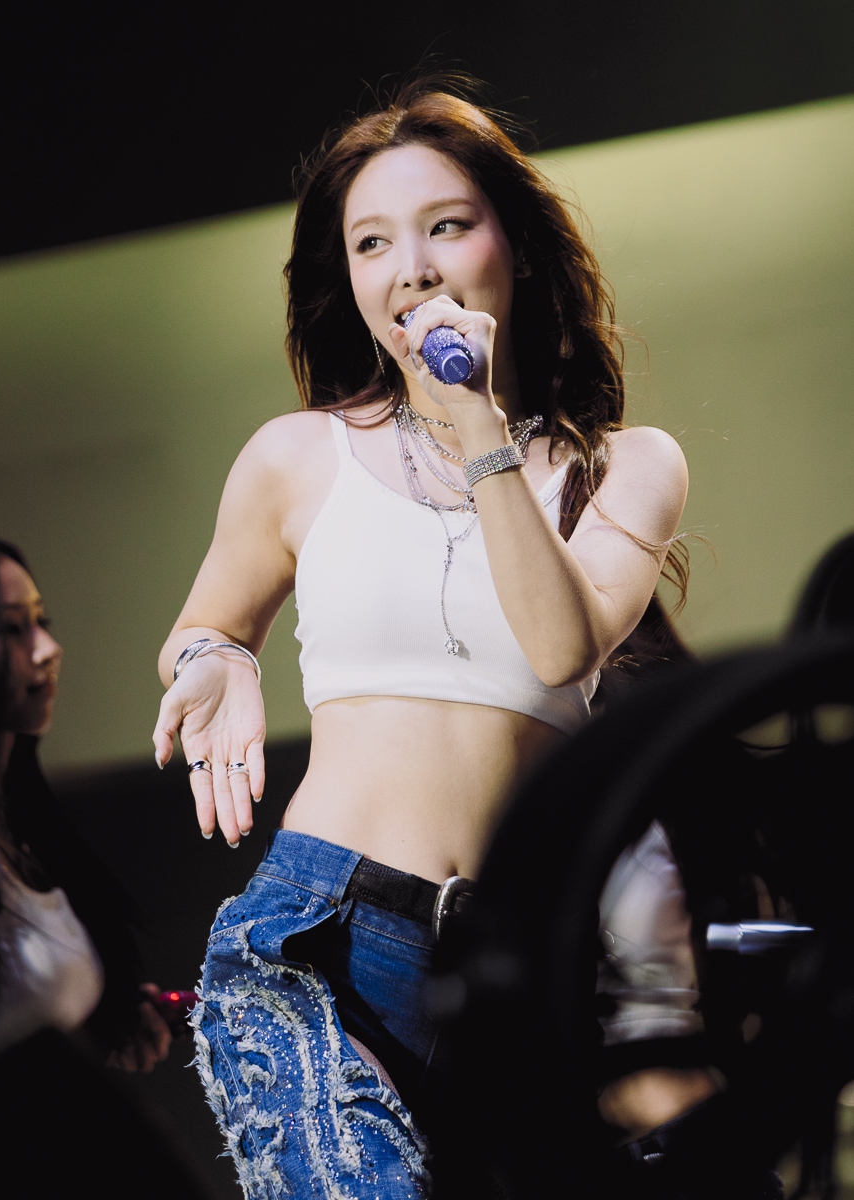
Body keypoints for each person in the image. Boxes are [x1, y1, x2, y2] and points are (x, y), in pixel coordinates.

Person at [152, 76, 689, 1197]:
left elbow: (561, 650)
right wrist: (217, 660)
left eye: (446, 226)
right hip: (320, 940)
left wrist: (476, 419)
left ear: (516, 249)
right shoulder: (296, 455)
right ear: (348, 280)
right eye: (372, 243)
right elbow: (207, 624)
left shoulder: (623, 468)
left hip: (523, 968)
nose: (413, 269)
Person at [0, 532, 171, 1124]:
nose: (48, 649)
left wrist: (104, 1019)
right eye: (11, 629)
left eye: (40, 621)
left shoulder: (19, 830)